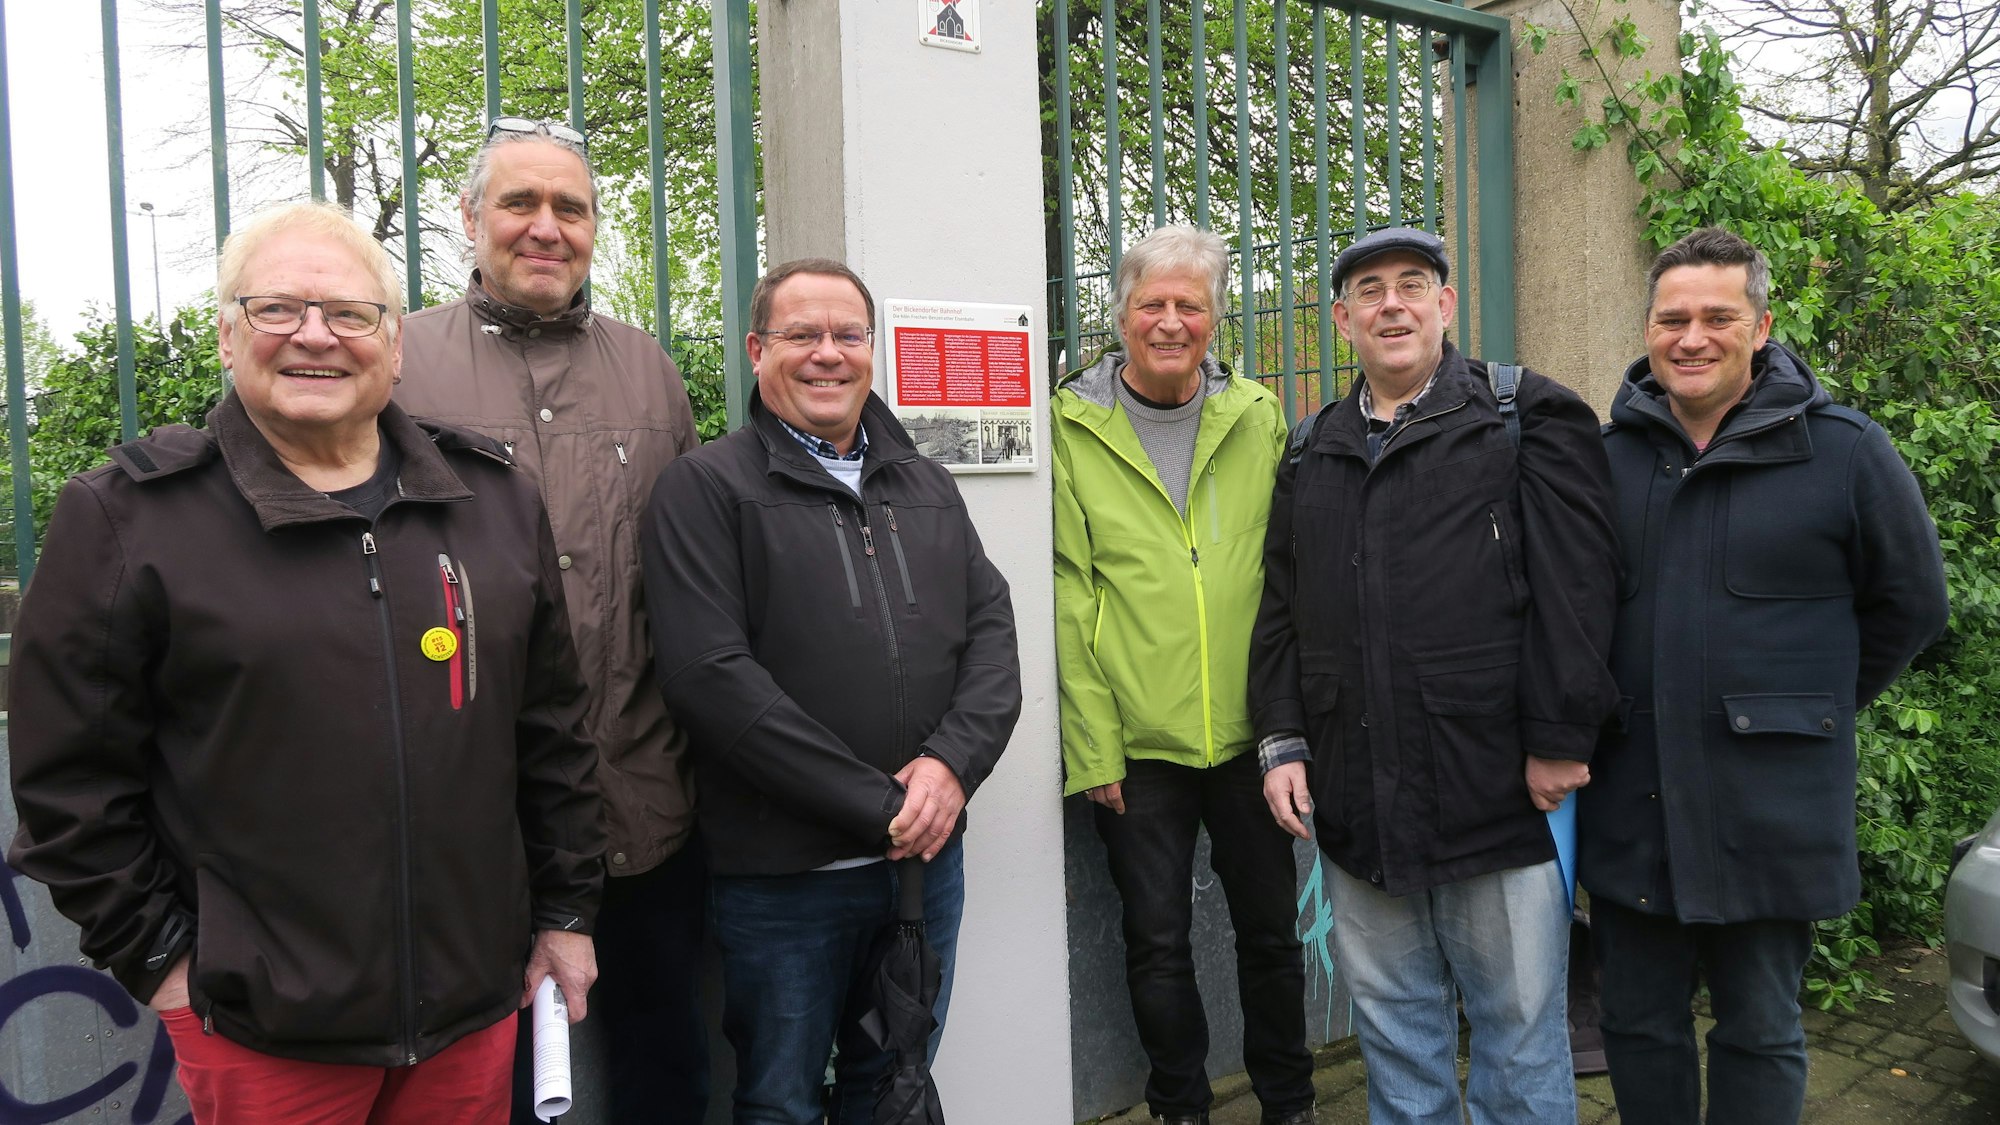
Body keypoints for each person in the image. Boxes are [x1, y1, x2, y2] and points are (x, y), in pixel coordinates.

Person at [6, 202, 603, 1124]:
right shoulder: (133, 518)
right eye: (276, 309)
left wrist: (565, 915)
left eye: (349, 314)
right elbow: (67, 781)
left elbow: (552, 734)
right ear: (227, 334)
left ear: (395, 343)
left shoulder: (490, 503)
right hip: (264, 1028)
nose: (314, 336)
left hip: (471, 1012)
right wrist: (162, 960)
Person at [1249, 226, 1619, 1124]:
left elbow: (1581, 590)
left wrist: (1565, 737)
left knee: (1519, 1028)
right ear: (1342, 320)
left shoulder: (1522, 414)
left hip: (1496, 789)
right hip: (1354, 793)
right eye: (1369, 291)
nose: (1392, 304)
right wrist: (1282, 740)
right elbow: (1283, 610)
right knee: (1394, 1029)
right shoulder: (1309, 450)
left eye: (1412, 284)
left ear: (1446, 306)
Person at [1580, 226, 1949, 1125]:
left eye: (1718, 316)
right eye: (1672, 318)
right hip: (1636, 798)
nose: (1692, 337)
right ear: (1647, 329)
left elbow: (1913, 605)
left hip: (1770, 800)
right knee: (1636, 1021)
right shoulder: (1602, 457)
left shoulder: (1845, 452)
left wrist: (1806, 707)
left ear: (1762, 324)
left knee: (1759, 1026)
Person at [642, 258, 1022, 1123]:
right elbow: (711, 679)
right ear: (756, 350)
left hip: (923, 869)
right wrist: (879, 802)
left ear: (872, 351)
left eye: (848, 334)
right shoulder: (705, 488)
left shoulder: (924, 483)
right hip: (786, 881)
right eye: (800, 334)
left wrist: (948, 769)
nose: (827, 354)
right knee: (779, 1099)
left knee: (891, 1087)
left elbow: (993, 638)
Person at [393, 117, 707, 1123]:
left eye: (567, 207)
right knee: (511, 1090)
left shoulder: (648, 370)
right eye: (519, 203)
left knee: (667, 1065)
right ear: (469, 217)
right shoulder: (397, 365)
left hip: (645, 810)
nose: (544, 227)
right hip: (477, 831)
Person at [1052, 225, 1315, 1125]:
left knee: (1273, 939)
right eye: (1152, 304)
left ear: (1214, 317)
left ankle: (1289, 1101)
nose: (1171, 322)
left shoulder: (1258, 415)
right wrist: (1095, 748)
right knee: (1156, 943)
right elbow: (1067, 594)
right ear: (1120, 314)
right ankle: (1180, 1107)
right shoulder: (1071, 426)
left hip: (1253, 736)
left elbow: (1286, 578)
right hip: (1139, 746)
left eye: (1190, 306)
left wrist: (1293, 725)